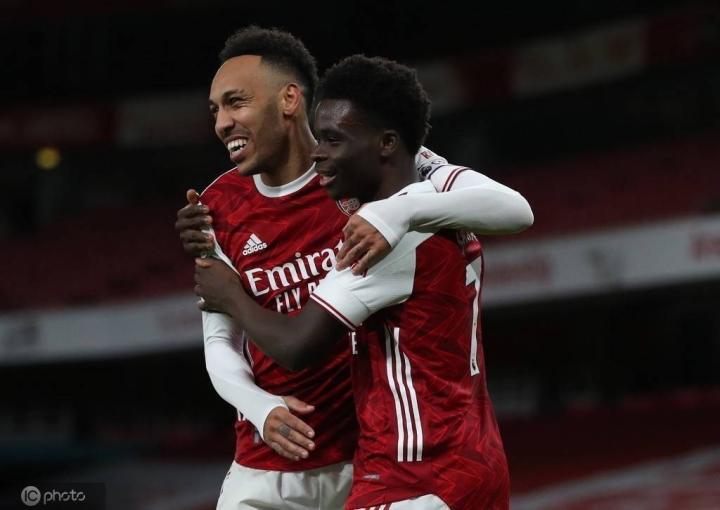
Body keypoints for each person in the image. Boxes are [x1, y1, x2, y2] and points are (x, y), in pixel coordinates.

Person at [178, 27, 532, 510]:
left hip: (376, 462)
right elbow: (218, 342)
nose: (222, 123)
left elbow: (515, 209)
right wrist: (260, 408)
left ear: (288, 99)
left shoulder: (380, 191)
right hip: (271, 463)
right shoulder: (216, 207)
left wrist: (394, 215)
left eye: (235, 103)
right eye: (215, 110)